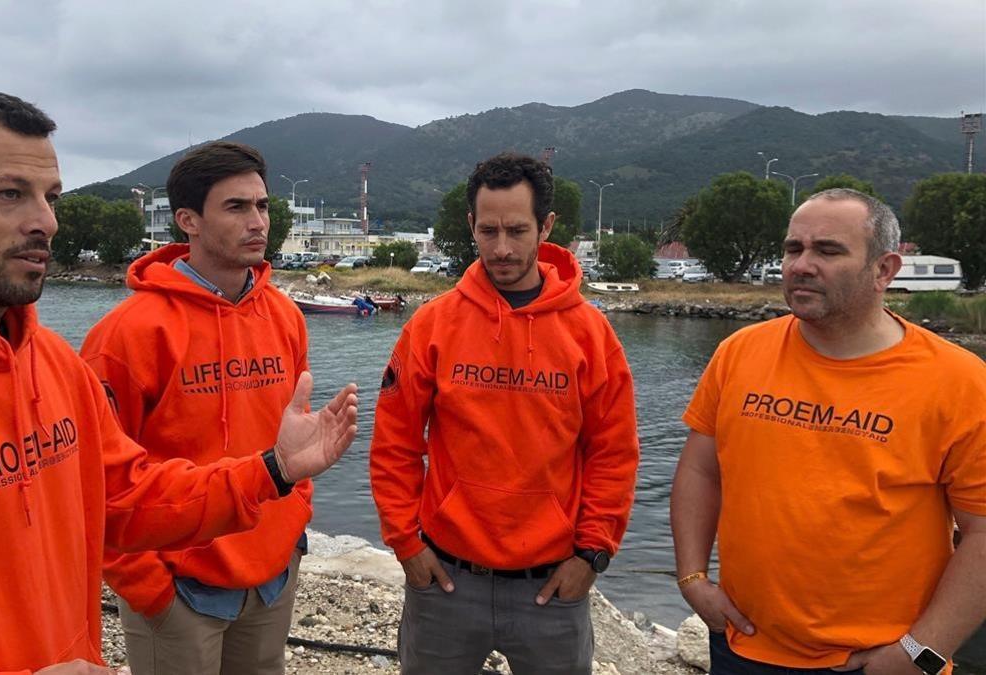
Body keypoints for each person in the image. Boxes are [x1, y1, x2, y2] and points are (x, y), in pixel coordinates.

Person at [0, 89, 358, 674]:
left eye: (51, 197)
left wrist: (273, 472)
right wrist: (155, 595)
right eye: (10, 194)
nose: (45, 221)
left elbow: (125, 496)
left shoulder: (50, 362)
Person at [671, 188, 986, 675]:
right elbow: (700, 470)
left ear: (884, 270)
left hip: (878, 662)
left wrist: (920, 653)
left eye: (828, 250)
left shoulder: (959, 382)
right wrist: (692, 577)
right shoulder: (740, 353)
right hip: (742, 647)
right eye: (793, 248)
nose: (801, 264)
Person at [370, 152, 641, 674]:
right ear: (470, 224)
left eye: (517, 230)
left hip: (552, 584)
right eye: (487, 230)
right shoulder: (432, 325)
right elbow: (395, 444)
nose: (501, 248)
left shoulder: (590, 333)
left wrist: (593, 554)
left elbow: (614, 452)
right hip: (444, 580)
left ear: (547, 226)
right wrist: (405, 543)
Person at [80, 141, 311, 675]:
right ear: (188, 220)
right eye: (236, 207)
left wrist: (294, 524)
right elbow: (96, 481)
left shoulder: (284, 315)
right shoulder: (127, 334)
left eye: (263, 206)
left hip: (273, 571)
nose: (258, 222)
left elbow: (294, 434)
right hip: (179, 585)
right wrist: (146, 584)